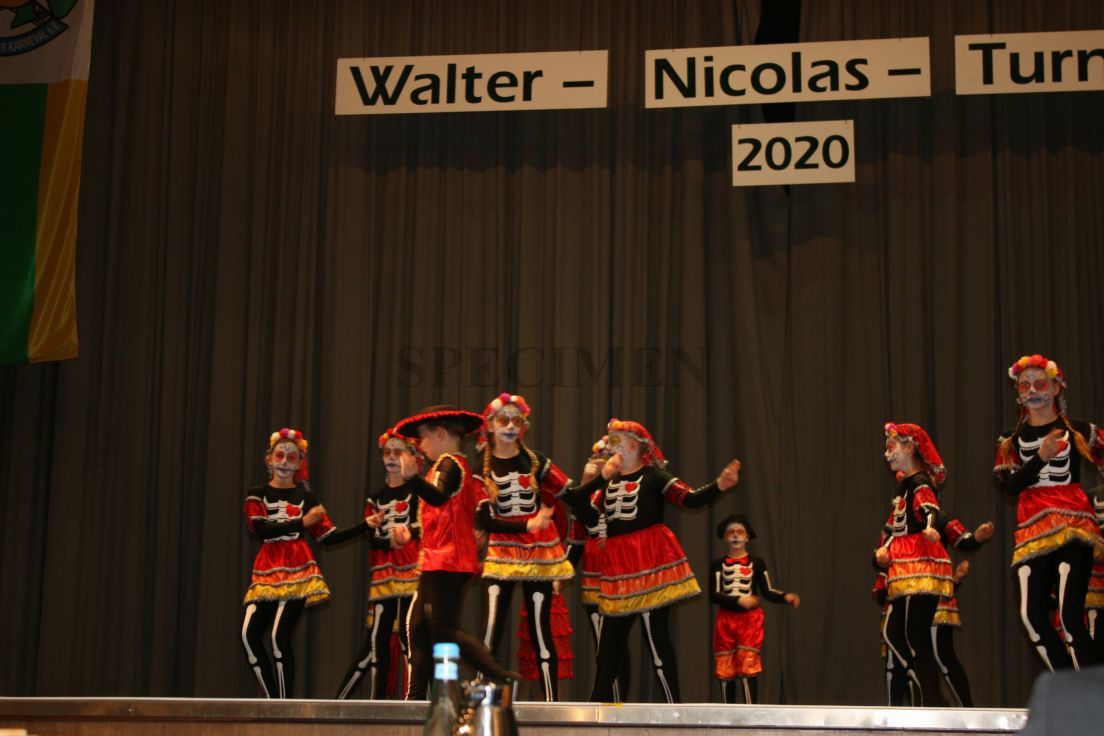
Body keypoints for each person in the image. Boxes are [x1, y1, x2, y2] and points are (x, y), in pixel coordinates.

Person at [564, 417, 742, 703]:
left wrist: (719, 485)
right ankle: (597, 706)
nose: (610, 447)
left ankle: (673, 709)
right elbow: (582, 512)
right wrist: (593, 481)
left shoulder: (655, 476)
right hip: (619, 568)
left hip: (649, 562)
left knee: (655, 636)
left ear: (634, 446)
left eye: (615, 441)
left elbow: (689, 499)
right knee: (608, 644)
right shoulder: (608, 483)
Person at [393, 405, 526, 699]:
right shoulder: (450, 465)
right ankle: (415, 699)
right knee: (419, 629)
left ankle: (500, 675)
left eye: (423, 438)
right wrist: (412, 531)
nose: (420, 446)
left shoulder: (449, 464)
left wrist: (413, 479)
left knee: (442, 630)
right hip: (439, 559)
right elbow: (440, 515)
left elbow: (438, 498)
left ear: (439, 434)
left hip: (448, 560)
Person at [994, 354, 1104, 670]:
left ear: (1056, 388)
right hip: (1032, 531)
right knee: (1031, 618)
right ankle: (1067, 684)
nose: (1032, 390)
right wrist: (1041, 456)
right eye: (1024, 385)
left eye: (1040, 384)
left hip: (1074, 526)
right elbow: (1011, 486)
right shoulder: (1009, 440)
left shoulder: (1079, 430)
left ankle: (1089, 691)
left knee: (1070, 616)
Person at [241, 428, 367, 698]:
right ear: (269, 459)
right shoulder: (257, 495)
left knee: (278, 637)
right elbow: (261, 529)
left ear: (300, 463)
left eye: (292, 457)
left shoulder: (307, 499)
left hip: (298, 570)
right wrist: (302, 521)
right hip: (266, 570)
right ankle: (271, 701)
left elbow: (329, 537)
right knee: (248, 636)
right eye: (280, 455)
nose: (285, 461)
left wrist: (365, 525)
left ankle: (283, 706)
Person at [473, 393, 571, 701]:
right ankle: (479, 703)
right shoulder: (481, 468)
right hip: (501, 552)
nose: (510, 426)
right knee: (490, 630)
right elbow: (487, 521)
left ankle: (551, 705)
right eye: (503, 420)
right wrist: (526, 525)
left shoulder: (536, 461)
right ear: (490, 425)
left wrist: (599, 480)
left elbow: (570, 492)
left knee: (541, 631)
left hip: (537, 554)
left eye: (517, 420)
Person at [335, 428, 423, 699]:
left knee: (409, 637)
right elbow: (372, 536)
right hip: (384, 574)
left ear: (411, 456)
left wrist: (407, 533)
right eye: (388, 452)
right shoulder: (375, 499)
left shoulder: (417, 492)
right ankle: (377, 703)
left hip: (410, 571)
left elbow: (425, 523)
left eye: (398, 452)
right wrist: (389, 543)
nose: (392, 457)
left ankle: (414, 699)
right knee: (377, 639)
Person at [875, 422, 954, 706]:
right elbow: (895, 527)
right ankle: (929, 694)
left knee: (913, 633)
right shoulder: (905, 486)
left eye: (892, 447)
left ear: (910, 447)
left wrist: (931, 526)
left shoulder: (920, 483)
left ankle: (932, 700)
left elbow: (929, 508)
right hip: (904, 564)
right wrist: (883, 549)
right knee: (896, 632)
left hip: (920, 562)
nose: (887, 454)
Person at [709, 513, 800, 704]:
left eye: (740, 532)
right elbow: (714, 595)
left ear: (747, 537)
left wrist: (784, 596)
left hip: (749, 621)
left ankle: (750, 713)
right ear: (724, 537)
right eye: (731, 532)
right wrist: (738, 600)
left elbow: (767, 590)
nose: (735, 535)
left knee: (747, 668)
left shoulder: (757, 563)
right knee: (725, 669)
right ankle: (726, 714)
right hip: (725, 620)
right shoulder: (717, 565)